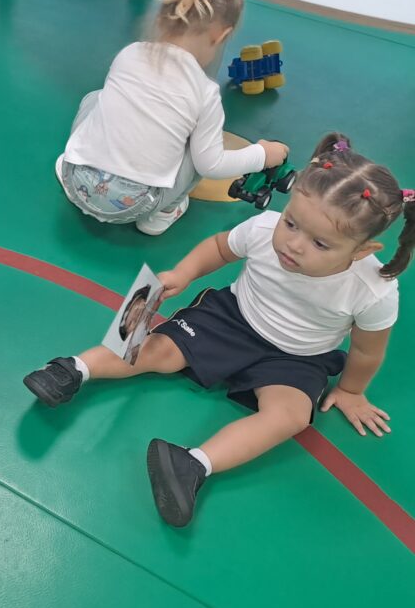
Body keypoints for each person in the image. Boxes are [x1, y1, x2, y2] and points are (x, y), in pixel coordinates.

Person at [24, 133, 410, 527]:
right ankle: (72, 369)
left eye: (320, 244)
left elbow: (366, 350)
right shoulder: (264, 230)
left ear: (362, 251)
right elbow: (220, 247)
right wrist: (183, 273)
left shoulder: (373, 290)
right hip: (231, 319)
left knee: (289, 416)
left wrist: (350, 390)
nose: (293, 245)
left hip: (299, 357)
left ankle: (193, 464)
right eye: (291, 223)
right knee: (159, 351)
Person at [55, 0, 289, 235]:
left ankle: (71, 161)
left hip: (75, 181)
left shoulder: (129, 54)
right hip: (134, 204)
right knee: (199, 151)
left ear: (164, 13)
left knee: (95, 99)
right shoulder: (205, 92)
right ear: (222, 35)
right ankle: (161, 215)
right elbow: (212, 164)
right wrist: (262, 155)